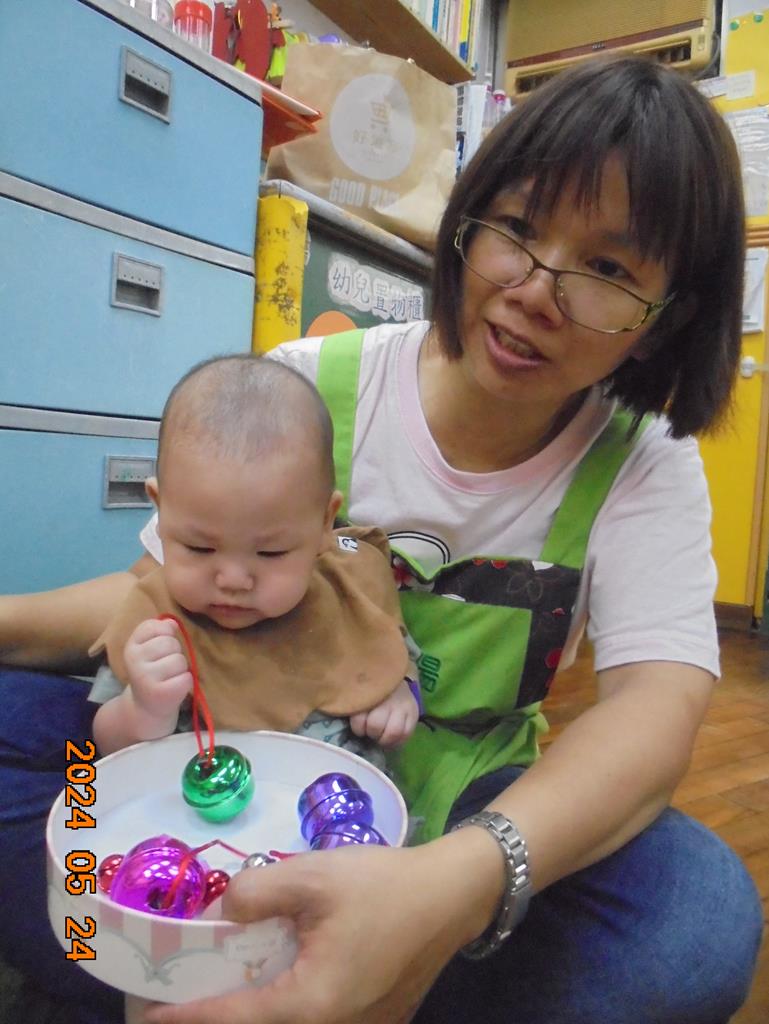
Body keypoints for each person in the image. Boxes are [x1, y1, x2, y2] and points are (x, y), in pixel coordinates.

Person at [0, 54, 763, 1024]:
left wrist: (453, 887)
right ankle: (222, 967)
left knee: (693, 925)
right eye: (518, 229)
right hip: (230, 744)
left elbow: (654, 713)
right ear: (468, 219)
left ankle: (229, 971)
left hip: (466, 800)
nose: (536, 289)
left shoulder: (640, 464)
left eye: (607, 270)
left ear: (662, 320)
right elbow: (162, 590)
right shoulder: (309, 384)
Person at [89, 353, 419, 760]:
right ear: (161, 512)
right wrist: (143, 709)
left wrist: (398, 693)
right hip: (188, 797)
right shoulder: (154, 623)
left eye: (270, 552)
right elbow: (103, 745)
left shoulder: (350, 592)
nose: (232, 580)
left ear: (324, 524)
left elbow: (397, 658)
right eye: (199, 548)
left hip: (333, 798)